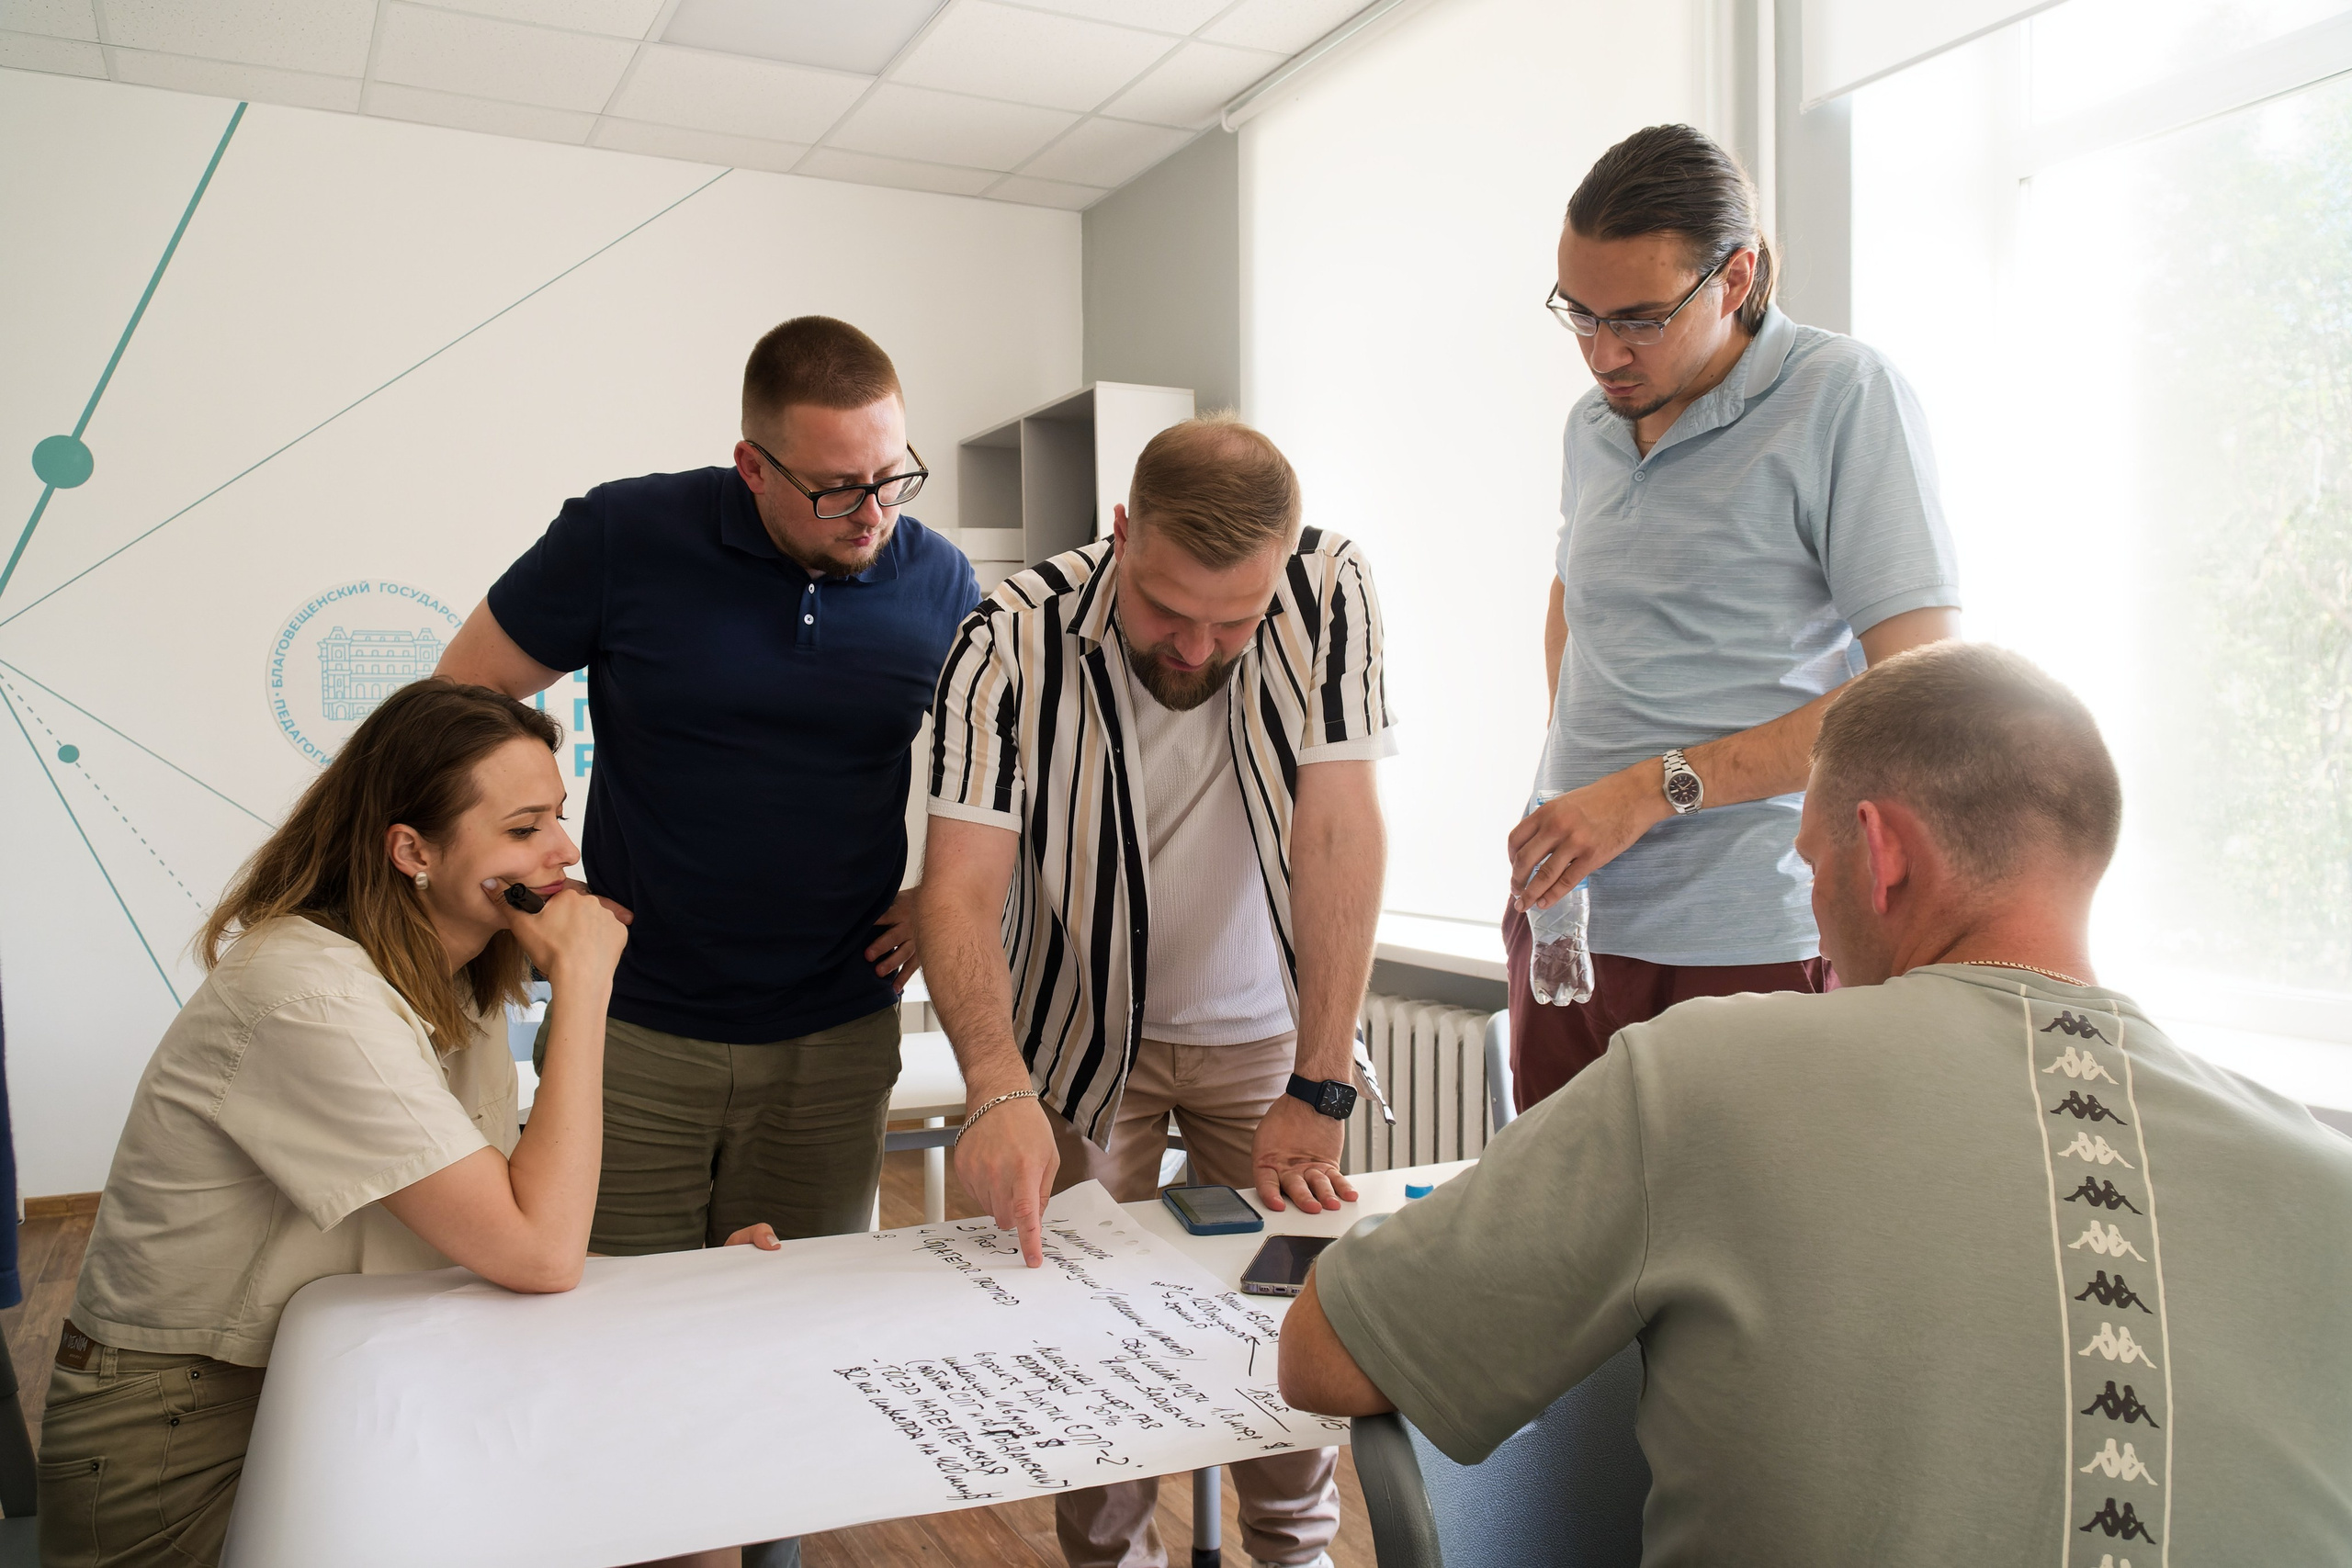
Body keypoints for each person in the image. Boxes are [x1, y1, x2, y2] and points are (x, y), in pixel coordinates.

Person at [1282, 643, 2352, 1562]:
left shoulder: (1705, 1072)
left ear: (1879, 852)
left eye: (1810, 862)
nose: (1815, 909)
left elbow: (1326, 1350)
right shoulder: (2321, 1178)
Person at [32, 681, 736, 1566]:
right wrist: (587, 981)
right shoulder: (309, 995)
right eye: (524, 830)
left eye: (557, 816)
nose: (564, 849)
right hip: (191, 1430)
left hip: (344, 1373)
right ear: (413, 850)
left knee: (686, 1501)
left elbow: (502, 1224)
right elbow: (538, 1248)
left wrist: (696, 1284)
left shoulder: (459, 976)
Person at [923, 415, 1394, 1568]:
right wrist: (994, 1090)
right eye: (1165, 611)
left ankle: (1294, 1551)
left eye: (1233, 622)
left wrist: (1320, 1084)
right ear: (1122, 530)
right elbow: (957, 888)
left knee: (1287, 1326)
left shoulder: (1331, 585)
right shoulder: (1005, 635)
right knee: (1085, 1337)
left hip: (1272, 1045)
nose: (1193, 648)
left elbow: (1339, 829)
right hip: (1080, 1047)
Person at [435, 316, 979, 1257]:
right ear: (754, 466)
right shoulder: (623, 536)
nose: (872, 514)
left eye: (893, 476)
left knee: (803, 1323)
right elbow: (462, 697)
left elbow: (1014, 775)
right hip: (636, 1025)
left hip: (836, 1030)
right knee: (607, 1313)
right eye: (838, 489)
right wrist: (535, 882)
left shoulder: (938, 579)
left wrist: (941, 898)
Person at [1506, 121, 1962, 1111]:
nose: (1600, 355)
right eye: (1577, 314)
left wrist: (1643, 790)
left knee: (1735, 1255)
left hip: (1746, 933)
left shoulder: (1843, 396)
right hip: (1569, 921)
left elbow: (1915, 694)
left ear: (1735, 275)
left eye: (1635, 318)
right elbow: (1572, 602)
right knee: (1557, 1249)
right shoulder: (1592, 427)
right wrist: (1572, 772)